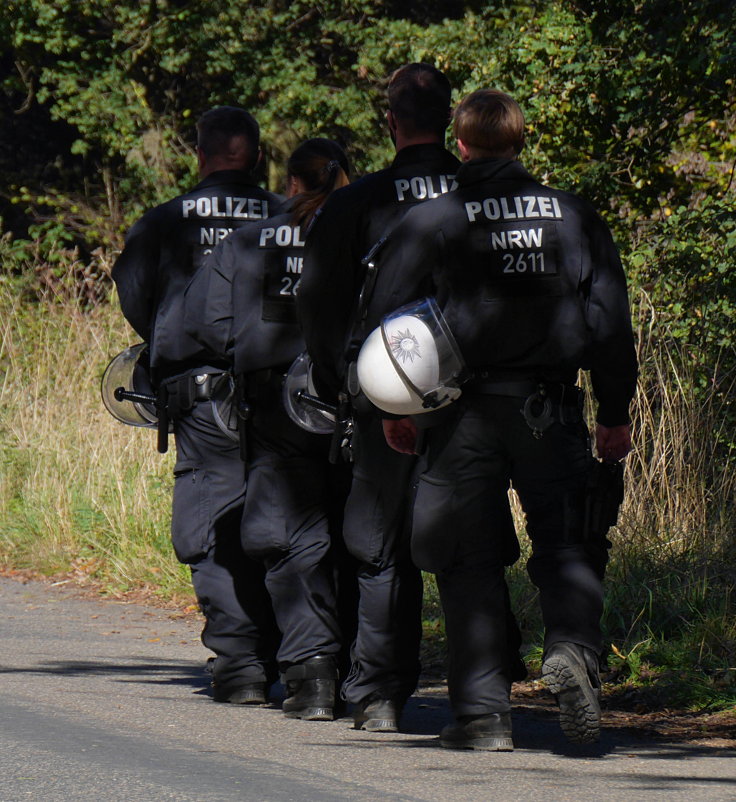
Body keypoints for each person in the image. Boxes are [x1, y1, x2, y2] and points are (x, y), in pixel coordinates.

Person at [362, 89, 637, 750]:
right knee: (569, 544)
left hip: (460, 415)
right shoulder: (574, 216)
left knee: (466, 558)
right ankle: (572, 653)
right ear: (522, 140)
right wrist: (615, 410)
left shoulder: (436, 218)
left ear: (460, 143)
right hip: (553, 407)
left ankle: (483, 715)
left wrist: (392, 407)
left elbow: (388, 318)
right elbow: (609, 323)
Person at [296, 63, 464, 732]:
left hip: (383, 394)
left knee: (379, 546)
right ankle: (481, 696)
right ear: (449, 120)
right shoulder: (480, 193)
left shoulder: (353, 202)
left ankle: (379, 696)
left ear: (390, 122)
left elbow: (317, 304)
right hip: (476, 399)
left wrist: (347, 382)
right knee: (466, 546)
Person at [111, 106, 282, 705]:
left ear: (200, 155)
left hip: (202, 397)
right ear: (258, 158)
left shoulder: (163, 223)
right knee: (299, 514)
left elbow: (138, 300)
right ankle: (308, 658)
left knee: (212, 523)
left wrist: (174, 342)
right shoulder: (291, 218)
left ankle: (240, 666)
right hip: (288, 391)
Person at [183, 138, 355, 721]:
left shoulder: (248, 240)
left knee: (288, 533)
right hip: (359, 400)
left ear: (288, 185)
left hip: (276, 404)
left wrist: (254, 356)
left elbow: (209, 326)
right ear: (345, 181)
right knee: (362, 536)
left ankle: (311, 675)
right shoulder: (364, 236)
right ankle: (362, 677)